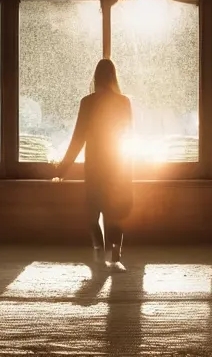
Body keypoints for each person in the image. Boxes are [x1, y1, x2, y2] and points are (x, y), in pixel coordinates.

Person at [55, 59, 133, 272]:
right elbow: (128, 135)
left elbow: (77, 138)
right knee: (116, 208)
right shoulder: (124, 102)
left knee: (92, 209)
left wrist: (62, 169)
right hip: (117, 164)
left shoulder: (87, 102)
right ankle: (114, 250)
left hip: (96, 164)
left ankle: (99, 247)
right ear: (113, 77)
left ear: (96, 77)